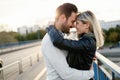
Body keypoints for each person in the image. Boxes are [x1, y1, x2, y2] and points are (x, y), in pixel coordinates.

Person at [41, 3, 94, 80]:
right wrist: (90, 73)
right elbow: (67, 74)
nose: (73, 26)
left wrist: (85, 55)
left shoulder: (63, 36)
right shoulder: (50, 41)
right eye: (72, 21)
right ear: (63, 18)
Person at [47, 10, 104, 80]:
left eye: (77, 23)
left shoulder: (88, 42)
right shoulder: (87, 41)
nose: (75, 26)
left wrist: (51, 27)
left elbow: (58, 41)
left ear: (86, 25)